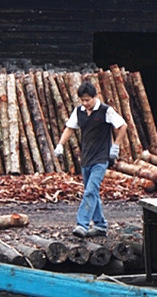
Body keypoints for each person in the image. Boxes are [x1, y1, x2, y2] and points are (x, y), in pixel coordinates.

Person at [54, 82, 127, 238]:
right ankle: (100, 225)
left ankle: (82, 224)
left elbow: (122, 126)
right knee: (92, 192)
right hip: (86, 157)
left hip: (101, 158)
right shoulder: (79, 111)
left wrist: (116, 146)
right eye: (83, 100)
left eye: (88, 100)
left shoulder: (106, 111)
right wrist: (60, 144)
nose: (85, 103)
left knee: (90, 190)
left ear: (95, 97)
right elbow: (69, 128)